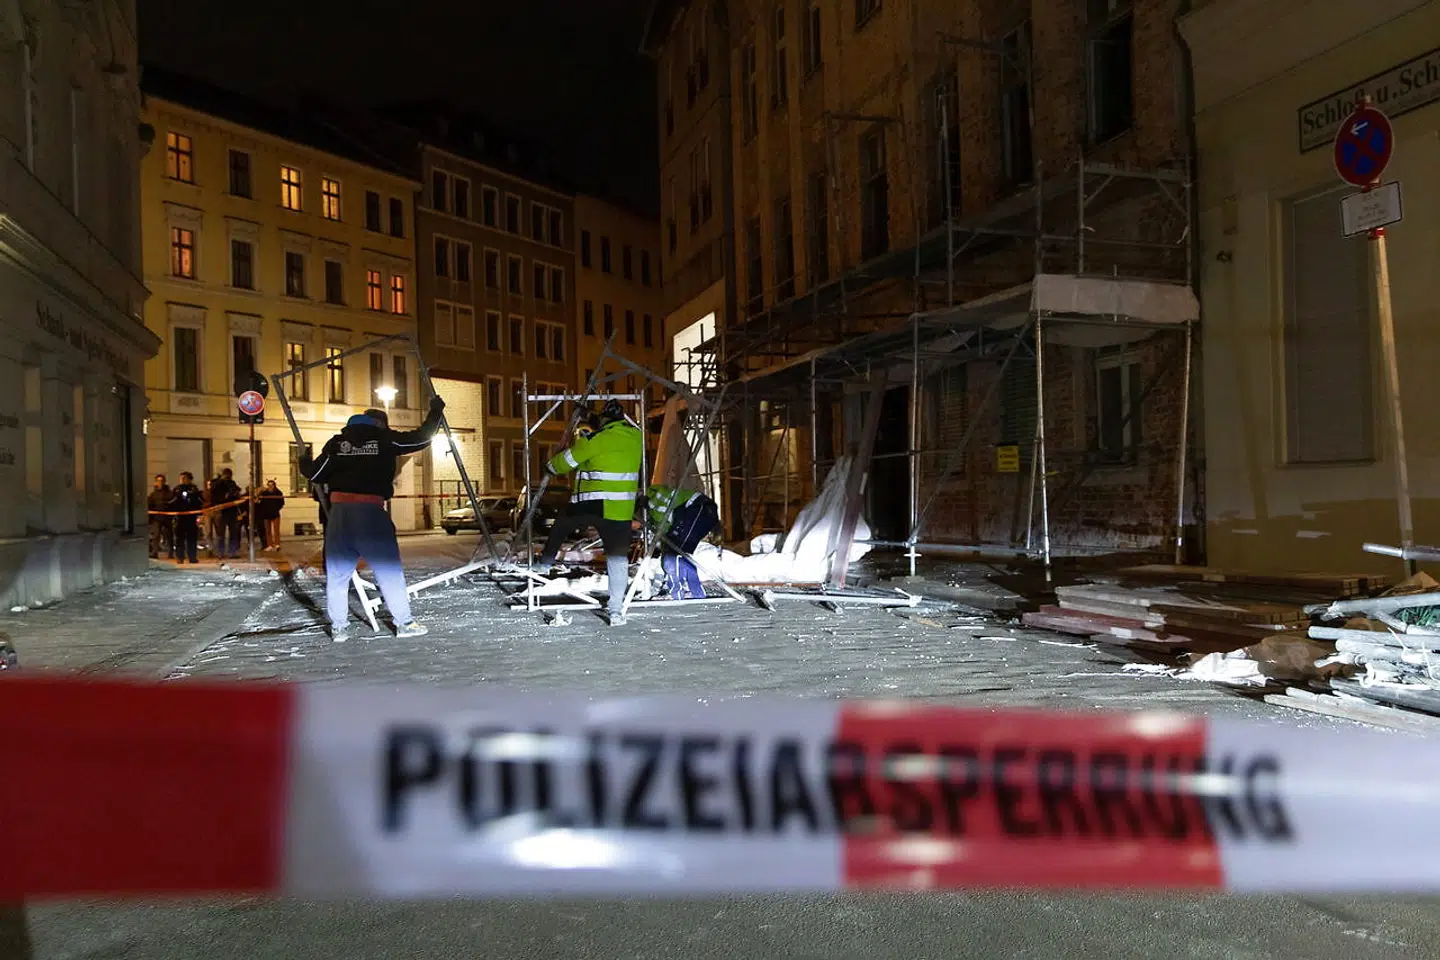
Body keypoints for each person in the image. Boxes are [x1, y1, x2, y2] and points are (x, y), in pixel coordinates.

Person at [300, 396, 446, 642]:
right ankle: (404, 622)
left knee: (337, 574)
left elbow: (314, 473)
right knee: (388, 570)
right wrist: (435, 412)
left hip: (339, 515)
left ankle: (339, 628)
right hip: (370, 513)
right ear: (376, 424)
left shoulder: (337, 444)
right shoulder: (384, 439)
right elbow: (422, 438)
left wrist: (303, 459)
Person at [535, 400, 642, 626]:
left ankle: (544, 564)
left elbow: (565, 462)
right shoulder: (636, 438)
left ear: (603, 420)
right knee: (617, 558)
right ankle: (615, 611)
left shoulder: (595, 439)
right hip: (621, 510)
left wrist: (550, 465)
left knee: (562, 523)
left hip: (593, 504)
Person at [642, 483, 720, 600]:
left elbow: (665, 540)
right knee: (679, 554)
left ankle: (676, 594)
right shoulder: (653, 507)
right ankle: (696, 592)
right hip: (700, 511)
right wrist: (655, 590)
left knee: (672, 555)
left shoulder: (654, 503)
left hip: (697, 509)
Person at [170, 472, 203, 564]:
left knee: (191, 538)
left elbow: (199, 501)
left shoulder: (194, 489)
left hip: (191, 517)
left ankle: (192, 557)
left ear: (189, 479)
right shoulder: (177, 489)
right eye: (181, 478)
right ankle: (180, 557)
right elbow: (172, 501)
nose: (182, 480)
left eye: (184, 478)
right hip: (180, 517)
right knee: (179, 538)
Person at [209, 469, 242, 559]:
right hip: (221, 511)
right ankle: (221, 552)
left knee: (233, 533)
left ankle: (231, 552)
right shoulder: (218, 484)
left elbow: (236, 493)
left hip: (231, 510)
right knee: (221, 534)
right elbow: (214, 494)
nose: (228, 477)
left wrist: (234, 494)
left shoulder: (232, 483)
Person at [148, 474, 173, 560]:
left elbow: (172, 503)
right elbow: (150, 505)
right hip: (157, 518)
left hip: (167, 517)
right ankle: (155, 552)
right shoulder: (153, 494)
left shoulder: (169, 493)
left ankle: (171, 553)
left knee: (169, 535)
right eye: (158, 481)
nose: (160, 483)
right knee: (156, 535)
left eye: (161, 481)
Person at [259, 479, 286, 552]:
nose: (270, 486)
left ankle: (277, 544)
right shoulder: (264, 493)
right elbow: (261, 503)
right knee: (268, 530)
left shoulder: (278, 493)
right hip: (266, 514)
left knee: (276, 530)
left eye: (272, 485)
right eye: (269, 485)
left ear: (274, 485)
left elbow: (282, 503)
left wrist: (276, 509)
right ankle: (270, 545)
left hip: (275, 513)